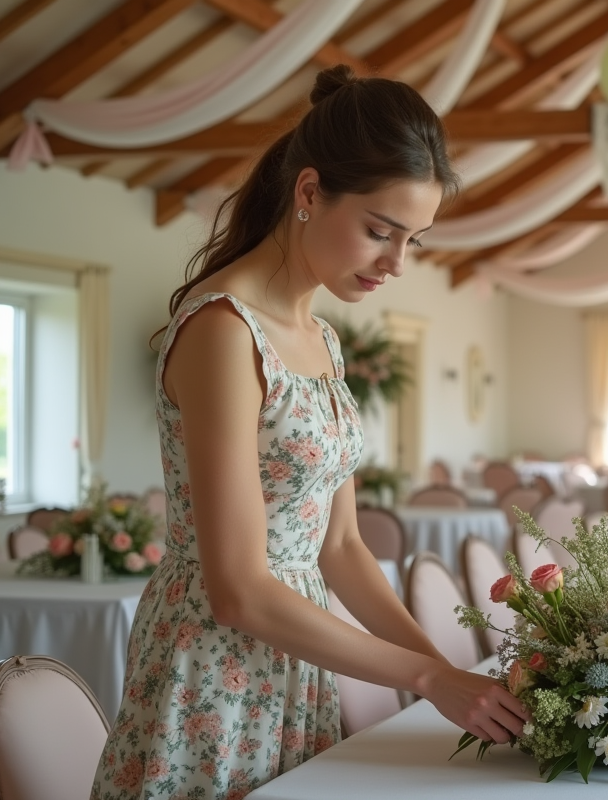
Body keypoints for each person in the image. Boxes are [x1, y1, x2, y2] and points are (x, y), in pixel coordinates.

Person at [91, 65, 529, 800]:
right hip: (212, 668)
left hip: (301, 657)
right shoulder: (224, 330)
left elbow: (343, 547)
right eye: (378, 231)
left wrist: (452, 675)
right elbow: (236, 590)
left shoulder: (321, 339)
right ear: (308, 193)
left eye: (412, 241)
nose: (394, 263)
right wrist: (426, 675)